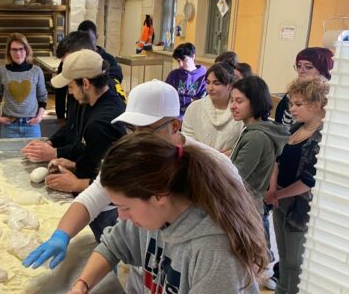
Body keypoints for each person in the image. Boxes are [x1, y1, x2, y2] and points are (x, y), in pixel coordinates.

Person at [23, 80, 244, 291]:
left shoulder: (213, 245)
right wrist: (62, 236)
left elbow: (238, 229)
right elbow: (110, 226)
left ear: (175, 125)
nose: (136, 137)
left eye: (146, 130)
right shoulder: (142, 189)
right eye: (132, 129)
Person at [65, 131, 266, 294]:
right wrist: (82, 284)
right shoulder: (152, 216)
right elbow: (112, 245)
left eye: (125, 207)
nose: (121, 216)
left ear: (159, 196)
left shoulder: (215, 252)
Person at [265, 78, 328, 294]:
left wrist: (278, 194)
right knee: (284, 260)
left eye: (298, 104)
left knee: (294, 262)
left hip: (300, 207)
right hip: (281, 199)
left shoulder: (322, 137)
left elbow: (309, 181)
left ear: (317, 103)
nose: (292, 108)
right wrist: (273, 190)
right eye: (292, 103)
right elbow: (277, 159)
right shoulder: (295, 127)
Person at [229, 76, 289, 290]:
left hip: (244, 203)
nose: (233, 106)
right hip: (249, 201)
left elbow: (235, 176)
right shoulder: (257, 130)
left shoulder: (256, 137)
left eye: (239, 101)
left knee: (243, 267)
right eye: (232, 100)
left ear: (255, 102)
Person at [44, 49, 126, 195]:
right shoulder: (106, 100)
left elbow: (117, 182)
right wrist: (76, 166)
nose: (70, 93)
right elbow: (98, 157)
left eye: (70, 87)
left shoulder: (100, 123)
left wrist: (77, 184)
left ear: (86, 83)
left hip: (102, 208)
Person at [21, 31, 96, 163]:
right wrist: (50, 142)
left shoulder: (99, 106)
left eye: (69, 62)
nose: (70, 93)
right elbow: (71, 128)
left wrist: (56, 153)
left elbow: (92, 151)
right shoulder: (78, 88)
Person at [0, 33, 48, 138]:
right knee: (8, 154)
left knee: (33, 155)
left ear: (26, 50)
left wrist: (39, 117)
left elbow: (42, 97)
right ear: (9, 51)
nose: (18, 53)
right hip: (9, 127)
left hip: (32, 125)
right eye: (14, 49)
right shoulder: (1, 71)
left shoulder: (36, 71)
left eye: (21, 49)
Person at [182, 62, 243, 154]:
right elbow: (187, 139)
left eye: (216, 83)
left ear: (230, 85)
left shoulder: (240, 111)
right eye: (207, 82)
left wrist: (229, 153)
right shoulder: (194, 108)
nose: (210, 88)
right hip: (199, 161)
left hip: (230, 164)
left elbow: (244, 144)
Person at [274, 47, 333, 127]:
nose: (301, 71)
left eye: (308, 67)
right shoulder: (292, 93)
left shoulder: (329, 98)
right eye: (298, 66)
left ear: (324, 70)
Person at [77, 20, 125, 101]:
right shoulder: (75, 60)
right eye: (83, 41)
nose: (87, 45)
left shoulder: (109, 60)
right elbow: (61, 91)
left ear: (96, 37)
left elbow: (114, 83)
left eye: (90, 41)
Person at [164, 42, 206, 119]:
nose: (180, 64)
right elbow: (166, 95)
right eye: (178, 61)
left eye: (183, 60)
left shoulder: (204, 76)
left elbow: (203, 101)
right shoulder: (174, 74)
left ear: (193, 56)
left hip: (195, 117)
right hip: (175, 116)